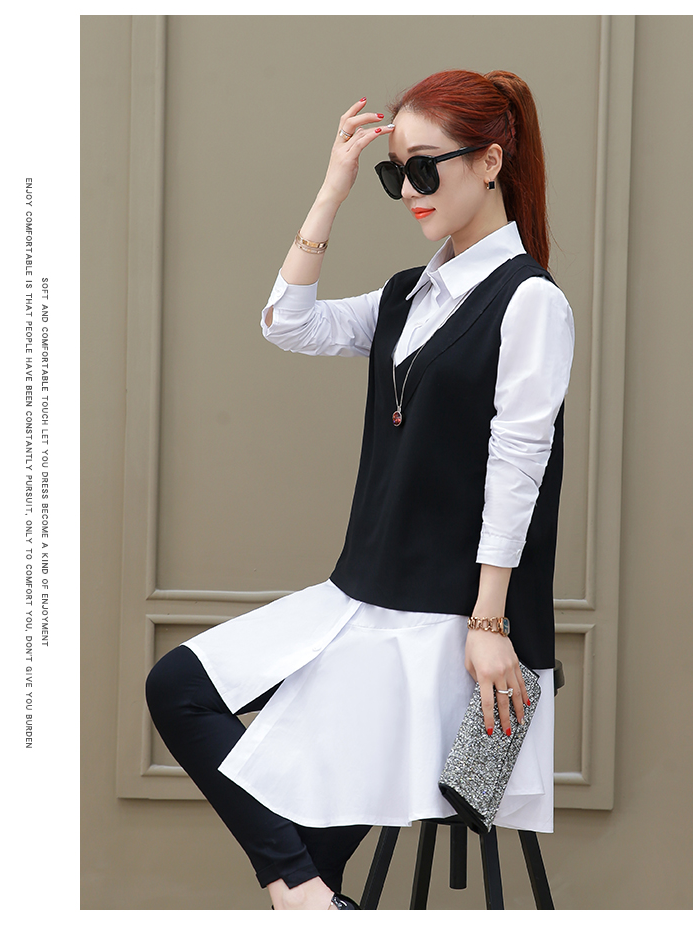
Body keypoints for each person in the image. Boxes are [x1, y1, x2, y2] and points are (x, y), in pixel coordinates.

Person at [146, 69, 575, 911]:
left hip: (447, 621)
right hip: (363, 597)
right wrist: (332, 189)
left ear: (490, 162)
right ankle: (309, 897)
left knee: (318, 824)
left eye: (423, 168)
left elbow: (517, 468)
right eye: (393, 172)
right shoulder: (409, 294)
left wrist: (489, 624)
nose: (407, 190)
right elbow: (289, 324)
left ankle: (308, 896)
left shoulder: (530, 302)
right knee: (179, 687)